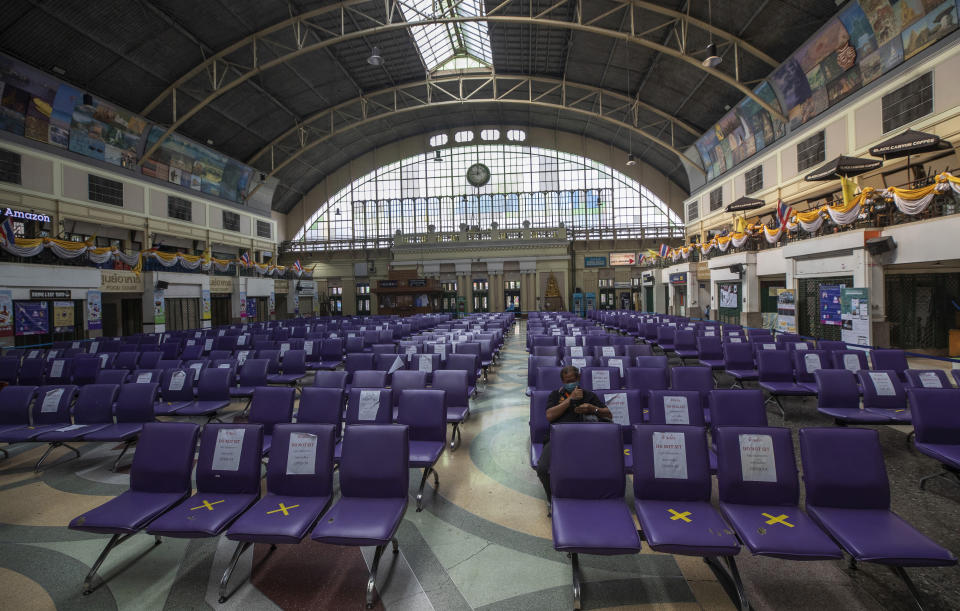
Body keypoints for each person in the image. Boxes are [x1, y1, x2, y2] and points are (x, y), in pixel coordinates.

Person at [535, 365, 612, 513]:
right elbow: (550, 416)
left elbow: (608, 414)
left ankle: (592, 497)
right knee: (543, 469)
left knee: (600, 466)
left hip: (586, 439)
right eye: (567, 381)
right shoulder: (555, 395)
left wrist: (592, 409)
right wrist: (569, 400)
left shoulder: (589, 396)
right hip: (557, 439)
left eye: (573, 380)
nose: (571, 384)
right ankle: (552, 498)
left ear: (579, 378)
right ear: (563, 382)